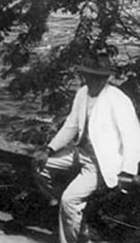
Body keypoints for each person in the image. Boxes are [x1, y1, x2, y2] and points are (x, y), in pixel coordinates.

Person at [33, 50, 140, 243]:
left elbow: (133, 137)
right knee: (39, 166)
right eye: (90, 76)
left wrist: (127, 170)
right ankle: (74, 218)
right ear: (85, 75)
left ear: (106, 77)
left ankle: (72, 231)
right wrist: (49, 149)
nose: (93, 81)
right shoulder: (82, 93)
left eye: (99, 77)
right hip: (78, 153)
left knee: (69, 200)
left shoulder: (118, 99)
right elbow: (71, 125)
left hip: (100, 163)